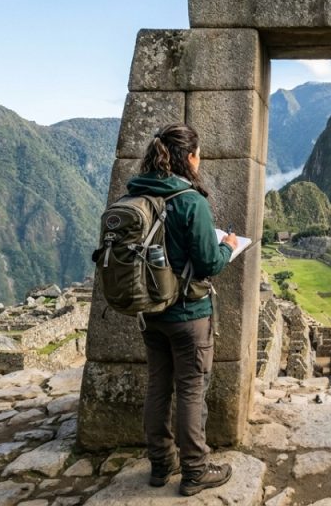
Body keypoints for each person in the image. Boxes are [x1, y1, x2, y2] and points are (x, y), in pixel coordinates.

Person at [126, 124, 239, 496]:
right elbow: (208, 263)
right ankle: (195, 470)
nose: (200, 159)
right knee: (191, 389)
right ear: (189, 157)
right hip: (188, 313)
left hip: (150, 312)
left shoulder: (138, 193)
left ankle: (160, 464)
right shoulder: (190, 201)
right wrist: (228, 245)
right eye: (198, 154)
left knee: (158, 386)